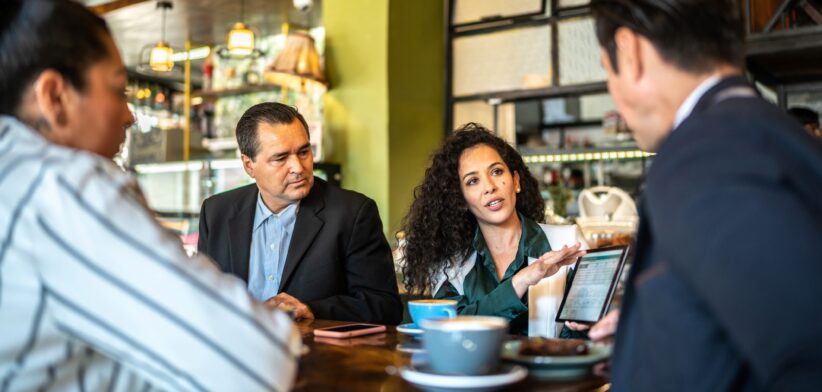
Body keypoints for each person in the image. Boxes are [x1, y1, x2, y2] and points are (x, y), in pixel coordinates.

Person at [0, 1, 301, 391]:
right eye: (117, 89)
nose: (130, 115)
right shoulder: (62, 183)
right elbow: (257, 361)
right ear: (55, 97)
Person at [586, 0, 822, 390]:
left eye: (605, 70)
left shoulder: (703, 153)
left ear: (629, 52)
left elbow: (808, 354)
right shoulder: (774, 134)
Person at [197, 102, 403, 325]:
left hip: (318, 356)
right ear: (249, 165)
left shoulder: (352, 214)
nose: (298, 167)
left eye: (304, 152)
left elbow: (385, 307)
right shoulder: (216, 212)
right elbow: (201, 299)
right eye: (281, 158)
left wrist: (311, 309)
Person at [401, 123, 585, 335]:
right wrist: (521, 281)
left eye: (496, 172)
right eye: (473, 181)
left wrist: (588, 325)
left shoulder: (568, 242)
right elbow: (453, 330)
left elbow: (583, 335)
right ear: (460, 200)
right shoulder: (448, 267)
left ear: (515, 181)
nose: (489, 187)